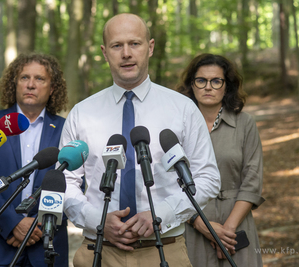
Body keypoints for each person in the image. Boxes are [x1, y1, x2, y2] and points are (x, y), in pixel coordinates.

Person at [59, 13, 221, 267]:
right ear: (104, 52)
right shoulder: (82, 113)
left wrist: (161, 215)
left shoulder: (183, 109)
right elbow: (65, 181)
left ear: (151, 47)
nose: (126, 53)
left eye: (134, 43)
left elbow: (208, 178)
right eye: (116, 45)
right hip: (98, 251)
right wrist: (97, 220)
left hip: (164, 251)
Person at [0, 53, 69, 267]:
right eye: (24, 78)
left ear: (52, 89)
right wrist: (13, 223)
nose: (31, 85)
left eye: (39, 79)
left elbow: (75, 182)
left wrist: (37, 225)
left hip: (46, 243)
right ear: (14, 84)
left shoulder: (66, 129)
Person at [176, 53, 265, 266]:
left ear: (227, 86)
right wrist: (201, 224)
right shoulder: (176, 126)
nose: (208, 87)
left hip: (237, 224)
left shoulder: (245, 124)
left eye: (216, 81)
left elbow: (252, 181)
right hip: (192, 221)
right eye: (201, 80)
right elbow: (167, 182)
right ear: (191, 85)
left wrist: (227, 231)